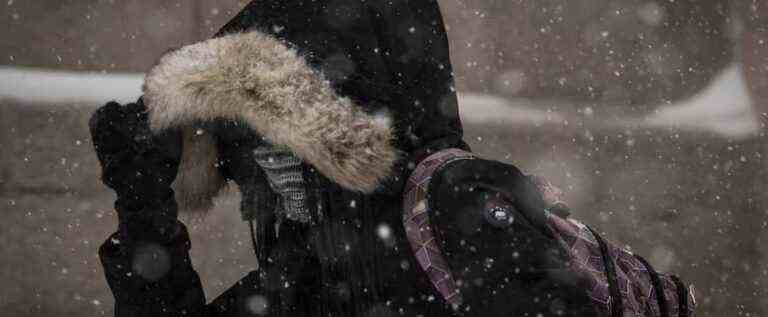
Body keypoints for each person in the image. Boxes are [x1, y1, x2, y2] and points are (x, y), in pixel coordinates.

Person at [87, 1, 652, 316]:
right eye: (246, 143)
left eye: (278, 140)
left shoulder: (461, 206)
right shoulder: (305, 276)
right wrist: (143, 211)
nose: (264, 167)